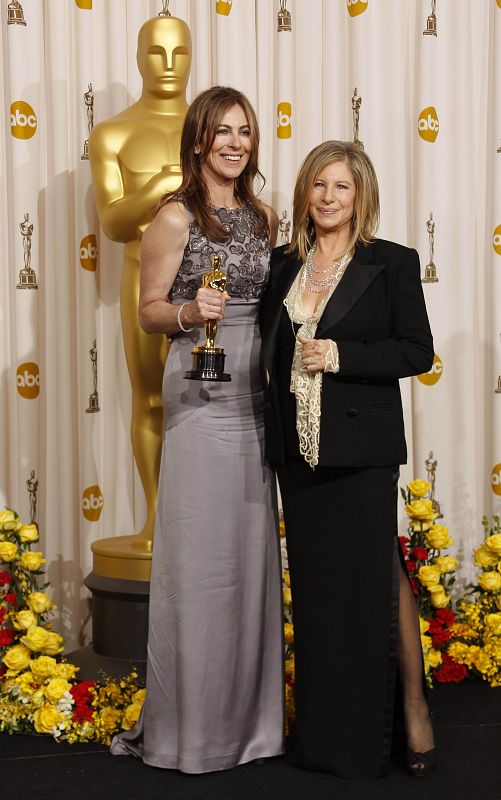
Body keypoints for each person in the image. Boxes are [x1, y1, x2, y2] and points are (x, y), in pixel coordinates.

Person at [111, 86, 284, 773]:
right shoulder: (174, 216)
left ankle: (252, 730)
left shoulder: (265, 218)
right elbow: (149, 310)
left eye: (244, 131)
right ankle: (192, 733)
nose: (235, 143)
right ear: (197, 142)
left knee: (247, 561)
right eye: (222, 132)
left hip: (255, 395)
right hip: (198, 389)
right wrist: (189, 311)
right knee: (200, 564)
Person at [260, 140, 435, 779]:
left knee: (374, 584)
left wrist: (339, 355)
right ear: (305, 193)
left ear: (360, 196)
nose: (329, 198)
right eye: (318, 186)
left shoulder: (391, 264)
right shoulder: (284, 266)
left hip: (362, 455)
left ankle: (411, 715)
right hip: (299, 459)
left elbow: (416, 352)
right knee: (319, 597)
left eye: (342, 187)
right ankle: (325, 739)